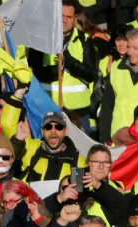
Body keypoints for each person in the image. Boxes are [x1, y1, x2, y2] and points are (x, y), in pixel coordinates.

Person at [35, 0, 96, 132]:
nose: (64, 20)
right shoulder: (41, 39)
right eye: (61, 16)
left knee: (82, 152)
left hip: (78, 112)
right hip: (48, 109)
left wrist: (70, 62)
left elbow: (91, 74)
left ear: (75, 19)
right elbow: (34, 72)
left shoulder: (84, 39)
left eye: (69, 17)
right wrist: (55, 72)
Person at [98, 28, 138, 143]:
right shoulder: (116, 68)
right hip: (115, 139)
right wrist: (104, 138)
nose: (130, 52)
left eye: (135, 48)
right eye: (129, 47)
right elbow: (107, 106)